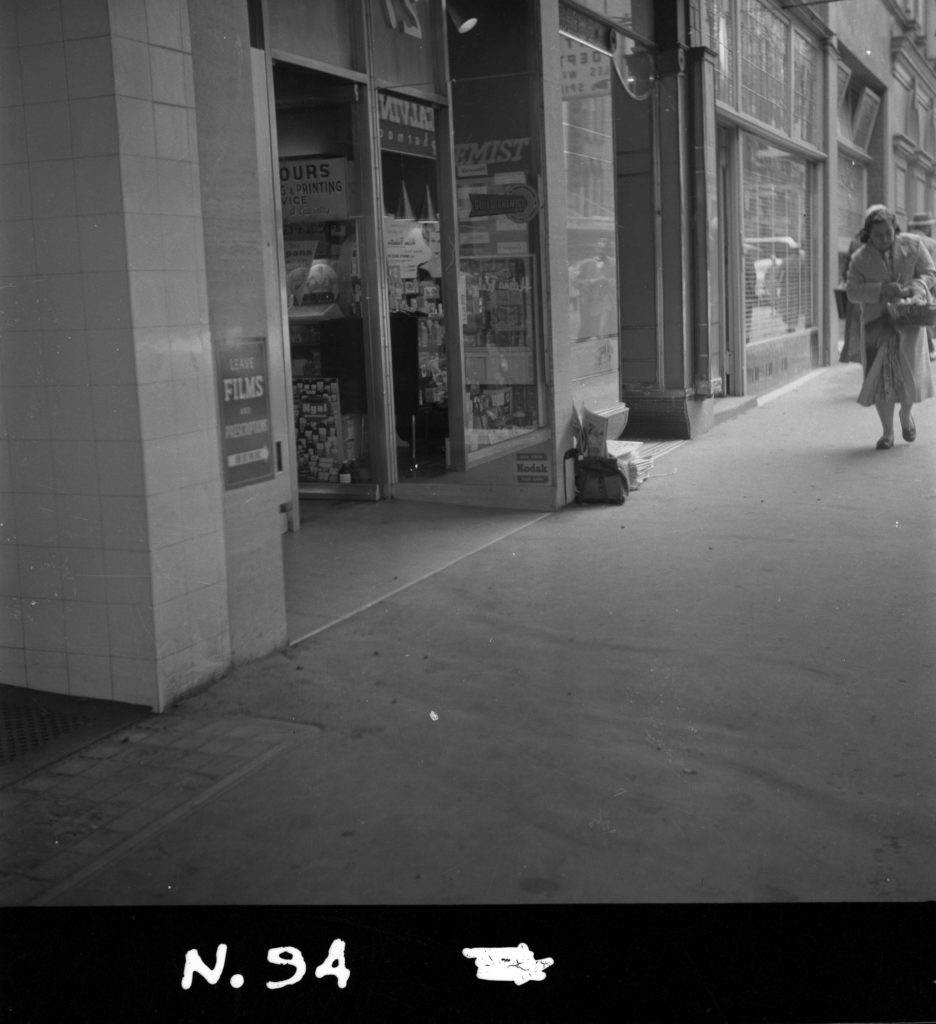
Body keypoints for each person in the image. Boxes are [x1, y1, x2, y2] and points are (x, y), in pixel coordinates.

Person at [845, 205, 936, 449]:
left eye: (888, 233)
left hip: (909, 322)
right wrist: (881, 289)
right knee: (881, 382)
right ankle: (887, 434)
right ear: (868, 235)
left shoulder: (914, 245)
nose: (884, 239)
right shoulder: (860, 259)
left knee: (910, 379)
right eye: (878, 235)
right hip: (877, 327)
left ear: (895, 230)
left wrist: (914, 287)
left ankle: (905, 417)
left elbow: (930, 272)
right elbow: (852, 292)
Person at [906, 211, 936, 361]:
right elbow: (933, 269)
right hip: (926, 285)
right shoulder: (931, 243)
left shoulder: (906, 240)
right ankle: (928, 349)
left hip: (906, 287)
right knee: (926, 316)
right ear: (927, 228)